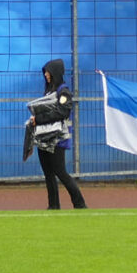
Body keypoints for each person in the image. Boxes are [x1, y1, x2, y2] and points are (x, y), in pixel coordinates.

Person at [26, 59, 86, 210]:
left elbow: (62, 112)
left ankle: (79, 203)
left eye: (48, 72)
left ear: (55, 73)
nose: (46, 75)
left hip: (57, 139)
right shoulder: (49, 92)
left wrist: (39, 119)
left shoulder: (63, 92)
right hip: (44, 138)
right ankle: (53, 205)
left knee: (60, 171)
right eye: (45, 72)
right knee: (48, 173)